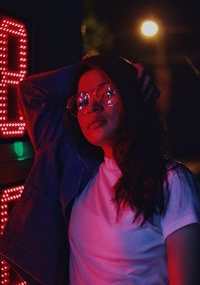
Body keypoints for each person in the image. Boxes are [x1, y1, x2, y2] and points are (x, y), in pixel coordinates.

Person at [0, 54, 199, 285]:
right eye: (83, 100)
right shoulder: (78, 173)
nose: (93, 106)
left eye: (107, 93)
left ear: (129, 95)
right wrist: (91, 68)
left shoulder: (172, 181)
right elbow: (31, 91)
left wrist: (122, 74)